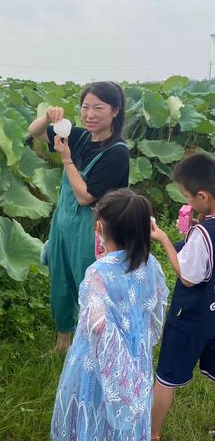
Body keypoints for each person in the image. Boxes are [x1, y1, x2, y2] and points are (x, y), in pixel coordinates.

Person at [50, 188, 168, 441]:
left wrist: (114, 363)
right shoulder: (151, 264)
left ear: (100, 227)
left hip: (96, 362)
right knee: (127, 418)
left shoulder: (99, 273)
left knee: (95, 407)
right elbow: (156, 310)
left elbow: (97, 325)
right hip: (136, 357)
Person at [28, 81, 130, 351]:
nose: (90, 114)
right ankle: (63, 341)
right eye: (85, 107)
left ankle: (94, 346)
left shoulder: (117, 153)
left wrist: (67, 160)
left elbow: (86, 196)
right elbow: (35, 132)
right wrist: (48, 117)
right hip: (63, 222)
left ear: (115, 111)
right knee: (60, 281)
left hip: (93, 229)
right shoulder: (81, 136)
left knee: (90, 284)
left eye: (99, 108)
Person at [150, 153, 215, 441]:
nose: (187, 202)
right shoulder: (204, 226)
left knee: (166, 378)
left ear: (203, 196)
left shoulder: (203, 234)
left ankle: (151, 434)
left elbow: (188, 276)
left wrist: (165, 239)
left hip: (190, 318)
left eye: (188, 197)